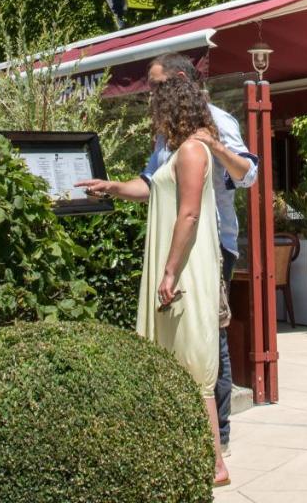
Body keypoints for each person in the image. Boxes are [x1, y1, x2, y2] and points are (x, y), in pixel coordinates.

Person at [79, 53, 258, 455]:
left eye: (156, 86)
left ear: (176, 80)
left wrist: (214, 146)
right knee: (183, 338)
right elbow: (153, 182)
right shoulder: (167, 133)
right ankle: (190, 434)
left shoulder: (214, 124)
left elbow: (247, 175)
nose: (150, 96)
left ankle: (219, 440)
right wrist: (112, 187)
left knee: (210, 339)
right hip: (177, 245)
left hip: (211, 247)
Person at [135, 74, 229, 487]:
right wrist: (109, 188)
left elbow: (188, 214)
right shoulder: (179, 153)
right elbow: (154, 191)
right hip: (179, 266)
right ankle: (193, 455)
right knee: (176, 358)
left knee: (194, 362)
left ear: (169, 110)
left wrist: (170, 270)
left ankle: (215, 464)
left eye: (157, 110)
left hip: (188, 269)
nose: (153, 118)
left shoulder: (192, 151)